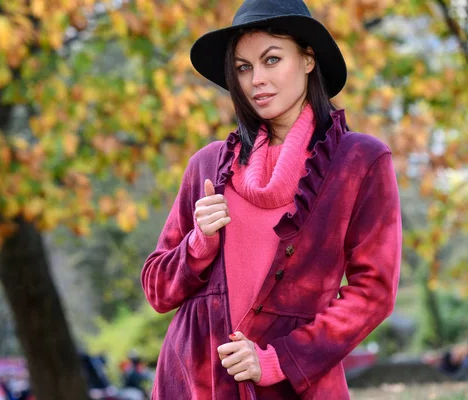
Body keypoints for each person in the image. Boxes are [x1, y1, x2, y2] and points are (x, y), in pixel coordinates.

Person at [140, 0, 401, 398]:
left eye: (272, 59)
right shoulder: (207, 165)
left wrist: (280, 359)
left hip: (296, 384)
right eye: (244, 67)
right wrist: (198, 244)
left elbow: (374, 292)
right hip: (196, 380)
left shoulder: (359, 161)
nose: (256, 79)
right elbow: (157, 290)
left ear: (308, 60)